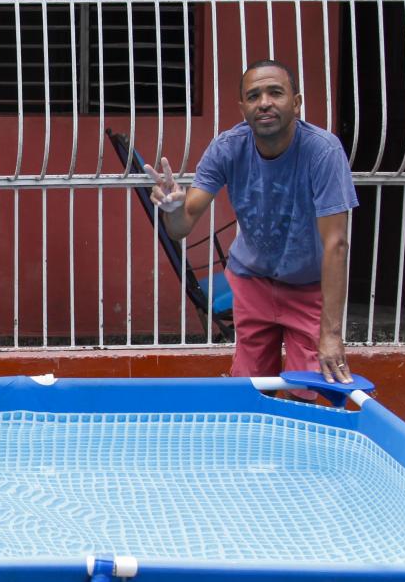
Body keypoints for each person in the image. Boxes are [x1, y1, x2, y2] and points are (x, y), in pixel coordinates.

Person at [152, 59, 358, 382]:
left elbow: (336, 243)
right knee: (250, 385)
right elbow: (183, 224)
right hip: (252, 281)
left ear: (297, 103)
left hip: (308, 286)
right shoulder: (227, 148)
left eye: (275, 93)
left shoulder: (323, 152)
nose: (264, 103)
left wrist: (331, 334)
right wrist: (173, 209)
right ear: (242, 108)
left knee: (309, 388)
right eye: (253, 96)